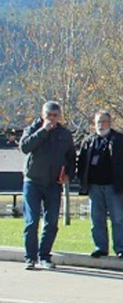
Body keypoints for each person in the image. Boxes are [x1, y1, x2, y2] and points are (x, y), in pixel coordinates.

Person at [19, 101, 76, 270]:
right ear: (43, 115)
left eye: (55, 115)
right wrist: (43, 130)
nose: (51, 119)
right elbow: (25, 147)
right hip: (33, 182)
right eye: (48, 115)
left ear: (59, 117)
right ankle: (30, 257)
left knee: (51, 221)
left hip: (53, 184)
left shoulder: (65, 134)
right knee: (32, 221)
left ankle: (45, 255)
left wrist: (68, 175)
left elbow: (71, 157)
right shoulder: (33, 129)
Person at [77, 110, 123, 259]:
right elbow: (81, 163)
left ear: (110, 123)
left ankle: (120, 249)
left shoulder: (121, 140)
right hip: (94, 187)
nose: (101, 125)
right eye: (98, 122)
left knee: (118, 219)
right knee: (97, 220)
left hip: (114, 187)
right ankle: (100, 248)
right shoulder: (89, 141)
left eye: (103, 122)